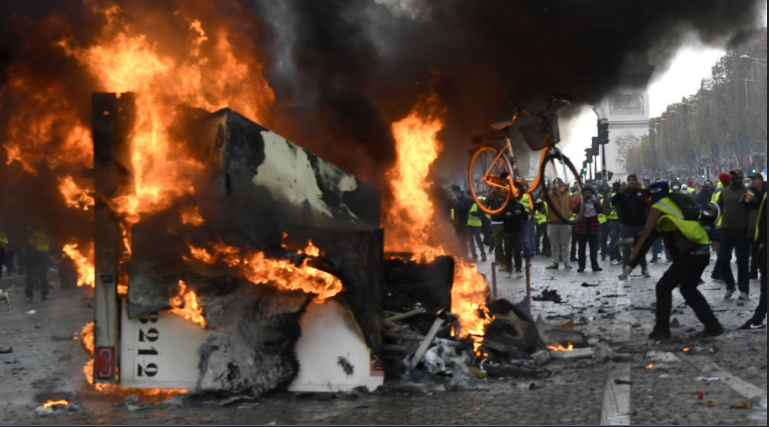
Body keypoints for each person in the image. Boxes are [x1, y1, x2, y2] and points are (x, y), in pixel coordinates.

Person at [620, 181, 724, 339]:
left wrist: (630, 266)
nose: (646, 199)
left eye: (648, 195)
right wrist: (631, 240)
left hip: (688, 254)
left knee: (663, 287)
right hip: (702, 250)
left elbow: (648, 237)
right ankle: (713, 326)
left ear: (655, 193)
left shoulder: (658, 207)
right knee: (688, 289)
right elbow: (657, 231)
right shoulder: (677, 202)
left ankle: (661, 330)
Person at [716, 169, 750, 300]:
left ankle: (744, 289)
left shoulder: (748, 193)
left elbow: (752, 212)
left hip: (742, 230)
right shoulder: (724, 192)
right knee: (723, 258)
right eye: (733, 177)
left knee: (742, 260)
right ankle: (730, 285)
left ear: (741, 178)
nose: (734, 179)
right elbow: (717, 208)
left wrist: (751, 230)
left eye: (737, 177)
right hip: (726, 230)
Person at [611, 174, 650, 277]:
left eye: (633, 180)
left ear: (636, 182)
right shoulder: (623, 193)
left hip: (640, 224)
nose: (631, 182)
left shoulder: (642, 193)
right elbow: (613, 201)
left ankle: (644, 268)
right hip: (626, 225)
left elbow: (649, 206)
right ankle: (625, 269)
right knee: (626, 249)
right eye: (629, 180)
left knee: (640, 248)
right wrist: (620, 192)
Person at [739, 190, 767, 330]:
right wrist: (749, 192)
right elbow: (749, 203)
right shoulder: (762, 194)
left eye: (754, 180)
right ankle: (757, 319)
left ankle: (757, 319)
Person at [573, 186, 604, 272]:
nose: (588, 194)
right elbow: (574, 209)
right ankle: (581, 266)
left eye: (589, 193)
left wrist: (595, 202)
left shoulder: (595, 200)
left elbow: (601, 209)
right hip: (582, 228)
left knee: (593, 249)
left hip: (593, 228)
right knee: (581, 249)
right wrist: (582, 201)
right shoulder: (579, 200)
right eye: (586, 193)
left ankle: (595, 265)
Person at [545, 178, 573, 270]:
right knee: (554, 244)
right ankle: (555, 262)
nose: (558, 185)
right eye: (556, 183)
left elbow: (572, 207)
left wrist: (567, 215)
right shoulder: (550, 195)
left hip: (564, 222)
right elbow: (542, 196)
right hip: (552, 222)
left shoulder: (568, 196)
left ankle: (566, 261)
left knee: (565, 244)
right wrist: (547, 187)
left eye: (560, 183)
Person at [745, 173, 766, 280]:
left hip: (765, 224)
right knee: (755, 250)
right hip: (754, 225)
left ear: (760, 180)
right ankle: (753, 272)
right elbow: (746, 203)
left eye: (754, 179)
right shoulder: (749, 191)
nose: (752, 181)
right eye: (751, 179)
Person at [710, 173, 730, 281]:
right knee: (724, 253)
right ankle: (721, 273)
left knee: (722, 252)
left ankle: (716, 273)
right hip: (722, 224)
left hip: (717, 224)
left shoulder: (716, 191)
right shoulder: (722, 192)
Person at [25, 225, 51, 302]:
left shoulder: (31, 233)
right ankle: (44, 295)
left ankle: (29, 295)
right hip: (43, 257)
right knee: (43, 277)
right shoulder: (46, 233)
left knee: (30, 277)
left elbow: (27, 245)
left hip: (32, 258)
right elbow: (50, 244)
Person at [502, 197, 526, 278]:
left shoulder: (519, 205)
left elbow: (525, 216)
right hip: (507, 231)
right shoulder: (504, 206)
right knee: (508, 252)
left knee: (517, 252)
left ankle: (518, 269)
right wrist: (506, 215)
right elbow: (499, 217)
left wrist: (521, 212)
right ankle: (509, 270)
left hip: (517, 231)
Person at [487, 187, 507, 272]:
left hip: (506, 222)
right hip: (496, 222)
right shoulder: (490, 196)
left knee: (508, 244)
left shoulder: (505, 194)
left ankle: (508, 261)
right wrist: (490, 218)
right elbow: (486, 208)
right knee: (498, 244)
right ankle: (502, 262)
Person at [450, 185, 472, 260]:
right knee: (457, 240)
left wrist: (458, 203)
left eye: (455, 193)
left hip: (464, 223)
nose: (455, 194)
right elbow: (454, 210)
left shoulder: (465, 199)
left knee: (464, 240)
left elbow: (466, 210)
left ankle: (465, 256)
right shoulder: (454, 200)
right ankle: (460, 255)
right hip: (457, 224)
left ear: (459, 192)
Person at [466, 191, 488, 263]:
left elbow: (482, 213)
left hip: (477, 225)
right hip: (469, 224)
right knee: (470, 241)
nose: (468, 198)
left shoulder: (478, 202)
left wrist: (473, 213)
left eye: (469, 196)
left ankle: (483, 254)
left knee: (478, 240)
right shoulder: (468, 202)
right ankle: (474, 256)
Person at [607, 182, 622, 265]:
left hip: (612, 220)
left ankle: (618, 257)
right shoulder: (616, 196)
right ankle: (613, 257)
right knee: (614, 240)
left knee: (615, 239)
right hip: (615, 220)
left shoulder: (610, 195)